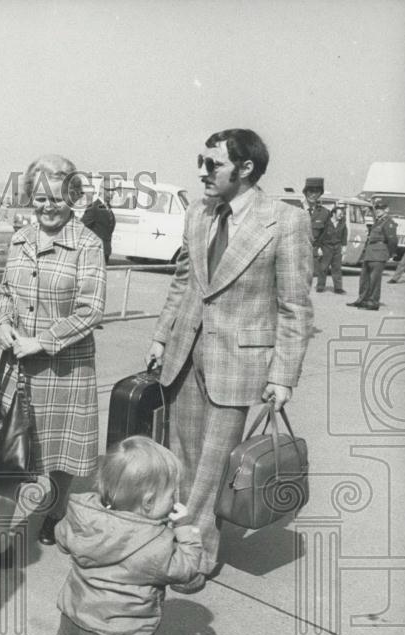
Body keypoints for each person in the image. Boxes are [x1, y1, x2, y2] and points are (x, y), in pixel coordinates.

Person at [146, 129, 313, 593]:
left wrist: (283, 376)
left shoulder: (284, 221)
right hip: (186, 351)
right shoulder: (199, 212)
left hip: (239, 361)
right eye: (202, 161)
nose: (203, 171)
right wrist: (161, 337)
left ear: (245, 169)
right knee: (181, 455)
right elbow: (183, 283)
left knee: (215, 464)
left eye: (213, 164)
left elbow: (295, 306)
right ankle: (177, 534)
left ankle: (197, 554)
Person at [0, 154, 106, 573]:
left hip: (66, 367)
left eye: (57, 198)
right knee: (7, 459)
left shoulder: (89, 245)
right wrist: (2, 323)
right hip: (18, 368)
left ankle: (55, 511)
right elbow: (4, 291)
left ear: (73, 197)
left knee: (61, 456)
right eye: (40, 198)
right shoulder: (20, 238)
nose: (47, 206)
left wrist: (43, 341)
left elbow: (91, 309)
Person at [11, 436, 203, 635]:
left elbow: (61, 537)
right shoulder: (156, 544)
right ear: (149, 502)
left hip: (75, 617)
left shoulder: (83, 515)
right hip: (120, 634)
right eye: (172, 495)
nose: (175, 501)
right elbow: (189, 568)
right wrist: (186, 529)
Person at [348, 198, 399, 310]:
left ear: (387, 210)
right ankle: (362, 300)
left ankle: (373, 302)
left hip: (379, 253)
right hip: (370, 253)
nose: (378, 211)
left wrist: (389, 253)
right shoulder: (378, 221)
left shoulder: (389, 223)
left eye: (381, 209)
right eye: (377, 209)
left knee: (374, 280)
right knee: (364, 279)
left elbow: (393, 241)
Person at [80, 176, 117, 263]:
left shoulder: (108, 208)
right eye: (109, 190)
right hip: (94, 253)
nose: (111, 193)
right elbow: (82, 228)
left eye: (113, 190)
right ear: (101, 190)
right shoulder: (94, 207)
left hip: (105, 252)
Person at [301, 176, 330, 284]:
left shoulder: (324, 213)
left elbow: (324, 235)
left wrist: (320, 249)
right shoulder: (294, 208)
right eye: (310, 191)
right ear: (305, 192)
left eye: (316, 192)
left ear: (320, 194)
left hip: (312, 256)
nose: (313, 195)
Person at [317, 204, 347, 294]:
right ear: (333, 213)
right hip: (326, 247)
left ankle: (338, 288)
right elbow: (320, 236)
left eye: (342, 214)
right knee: (323, 267)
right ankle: (320, 286)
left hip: (337, 247)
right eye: (339, 213)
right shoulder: (326, 223)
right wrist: (319, 248)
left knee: (337, 268)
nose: (341, 215)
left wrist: (344, 247)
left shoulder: (342, 224)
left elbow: (344, 236)